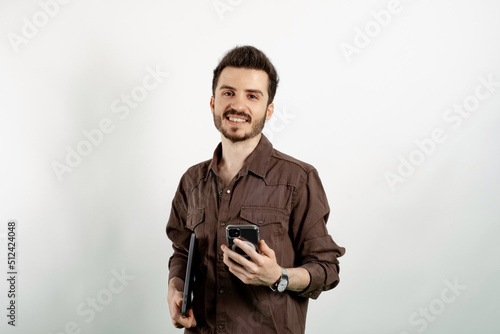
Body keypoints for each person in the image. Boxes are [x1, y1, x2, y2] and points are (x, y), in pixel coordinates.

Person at [166, 45, 345, 333]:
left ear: (268, 110)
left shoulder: (298, 178)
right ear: (213, 103)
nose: (238, 105)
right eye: (228, 93)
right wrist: (175, 289)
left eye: (252, 96)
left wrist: (278, 276)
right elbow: (182, 252)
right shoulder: (191, 181)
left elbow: (326, 269)